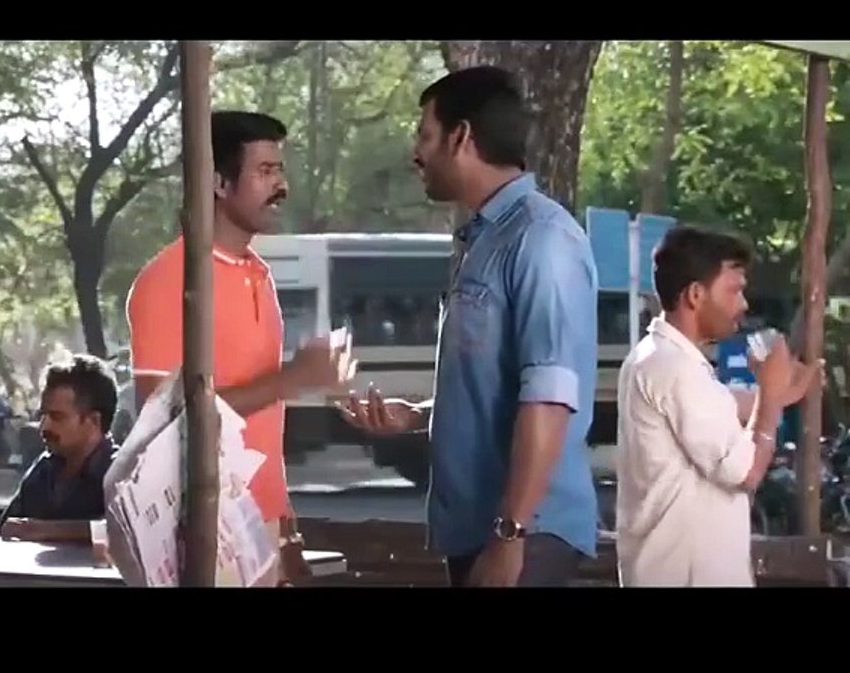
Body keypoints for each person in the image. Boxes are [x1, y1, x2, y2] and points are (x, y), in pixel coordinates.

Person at [339, 66, 599, 586]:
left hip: (526, 532)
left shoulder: (542, 238)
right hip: (481, 527)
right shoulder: (484, 239)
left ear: (460, 137)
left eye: (424, 135)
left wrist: (510, 534)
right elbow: (500, 385)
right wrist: (418, 417)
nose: (416, 154)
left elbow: (549, 399)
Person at [126, 110, 352, 586]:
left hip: (262, 528)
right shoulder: (168, 282)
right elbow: (162, 427)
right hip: (206, 536)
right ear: (218, 182)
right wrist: (291, 379)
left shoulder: (259, 274)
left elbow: (263, 430)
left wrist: (286, 529)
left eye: (280, 170)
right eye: (265, 171)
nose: (281, 186)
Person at [614, 226, 816, 586]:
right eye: (734, 290)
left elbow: (726, 406)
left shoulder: (664, 359)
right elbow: (746, 471)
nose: (744, 304)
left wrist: (778, 393)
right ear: (695, 294)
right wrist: (770, 395)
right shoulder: (674, 367)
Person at [0, 354, 120, 543]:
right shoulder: (44, 469)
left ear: (94, 421)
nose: (44, 427)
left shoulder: (121, 475)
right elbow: (9, 529)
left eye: (57, 417)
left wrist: (47, 530)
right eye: (43, 415)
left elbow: (125, 533)